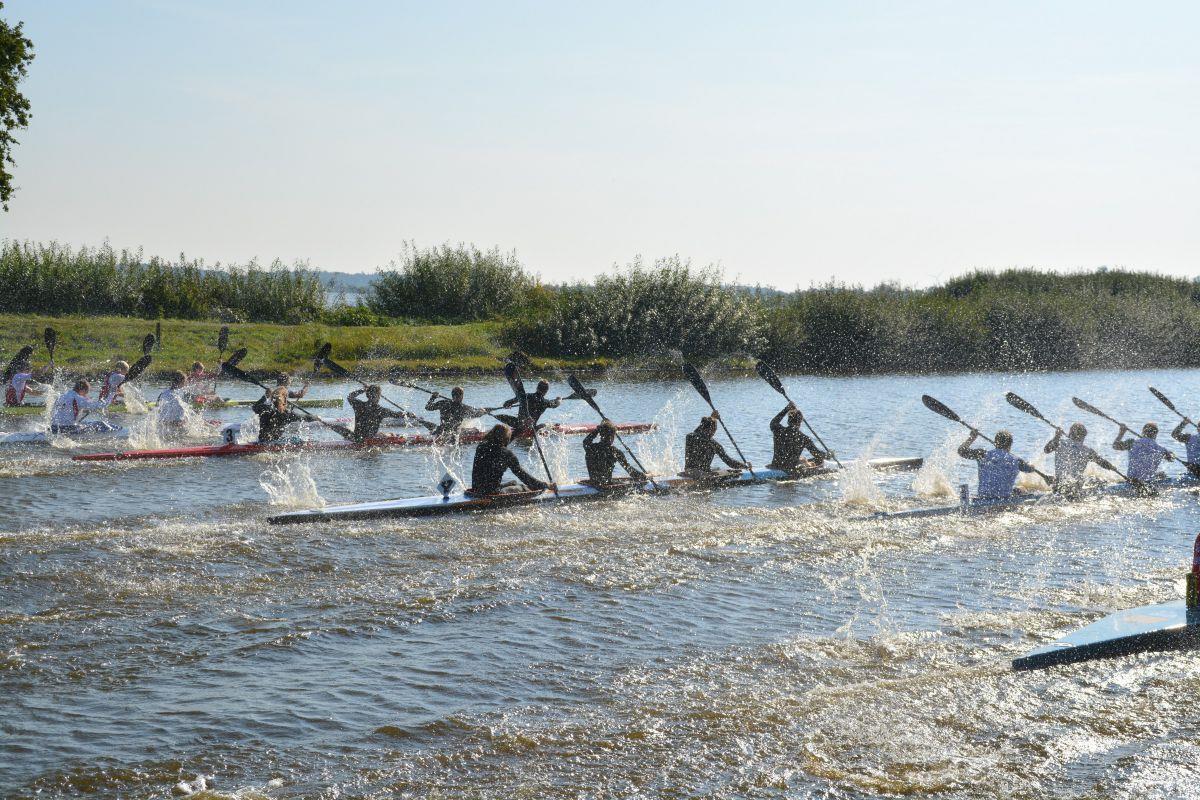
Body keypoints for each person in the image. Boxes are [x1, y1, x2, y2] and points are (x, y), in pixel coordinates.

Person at [467, 424, 555, 496]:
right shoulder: (507, 454)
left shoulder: (481, 447)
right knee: (524, 487)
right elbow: (523, 475)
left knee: (513, 483)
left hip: (476, 489)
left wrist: (521, 428)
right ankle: (540, 486)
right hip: (492, 493)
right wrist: (544, 485)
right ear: (506, 439)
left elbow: (498, 444)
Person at [957, 430, 1036, 500]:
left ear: (995, 443)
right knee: (1022, 488)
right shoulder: (1017, 461)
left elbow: (961, 451)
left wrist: (972, 437)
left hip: (983, 498)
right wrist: (1031, 465)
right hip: (1004, 498)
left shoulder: (982, 454)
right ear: (1010, 445)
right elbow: (1031, 469)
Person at [767, 402, 832, 471]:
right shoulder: (804, 438)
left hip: (776, 465)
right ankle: (807, 465)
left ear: (788, 421)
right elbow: (818, 455)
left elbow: (773, 422)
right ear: (800, 422)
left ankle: (805, 463)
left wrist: (786, 409)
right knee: (818, 460)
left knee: (802, 459)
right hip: (790, 470)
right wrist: (828, 455)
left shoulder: (778, 430)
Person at [582, 420, 647, 485]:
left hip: (593, 483)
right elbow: (630, 471)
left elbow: (585, 441)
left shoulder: (591, 448)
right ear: (612, 437)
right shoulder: (615, 452)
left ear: (600, 435)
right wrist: (644, 476)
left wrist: (596, 430)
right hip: (607, 487)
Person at [1043, 423, 1103, 492]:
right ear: (1084, 436)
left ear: (1069, 434)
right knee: (1096, 480)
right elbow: (1102, 462)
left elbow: (1046, 450)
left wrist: (1056, 436)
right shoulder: (1088, 451)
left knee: (1061, 483)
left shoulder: (1059, 443)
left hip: (1059, 486)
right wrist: (1111, 467)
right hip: (1076, 487)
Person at [683, 412, 748, 476]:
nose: (714, 432)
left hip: (691, 471)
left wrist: (712, 418)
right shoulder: (714, 444)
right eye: (714, 429)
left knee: (720, 469)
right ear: (712, 429)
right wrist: (745, 466)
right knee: (715, 472)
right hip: (696, 473)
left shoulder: (690, 437)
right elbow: (729, 462)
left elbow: (698, 430)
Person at [252, 374, 305, 444]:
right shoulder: (284, 390)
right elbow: (300, 394)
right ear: (287, 382)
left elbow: (254, 407)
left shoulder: (265, 406)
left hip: (262, 441)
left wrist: (265, 396)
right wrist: (306, 386)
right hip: (273, 443)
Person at [50, 379, 115, 434]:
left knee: (84, 424)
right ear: (83, 390)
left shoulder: (61, 396)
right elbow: (101, 405)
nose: (86, 395)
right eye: (86, 392)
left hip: (54, 427)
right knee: (101, 424)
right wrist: (112, 394)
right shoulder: (78, 398)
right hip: (67, 429)